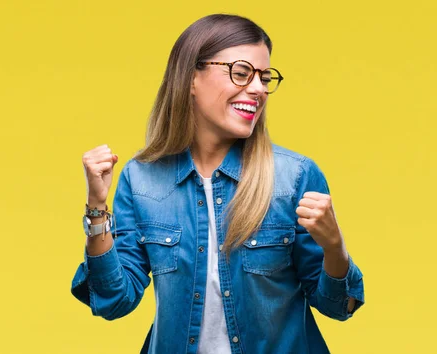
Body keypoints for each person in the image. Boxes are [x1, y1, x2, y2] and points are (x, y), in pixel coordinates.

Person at [71, 13, 365, 354]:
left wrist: (334, 247)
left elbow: (338, 305)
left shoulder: (294, 177)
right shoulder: (141, 179)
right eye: (241, 73)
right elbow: (113, 300)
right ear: (191, 78)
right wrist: (96, 208)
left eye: (264, 78)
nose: (257, 89)